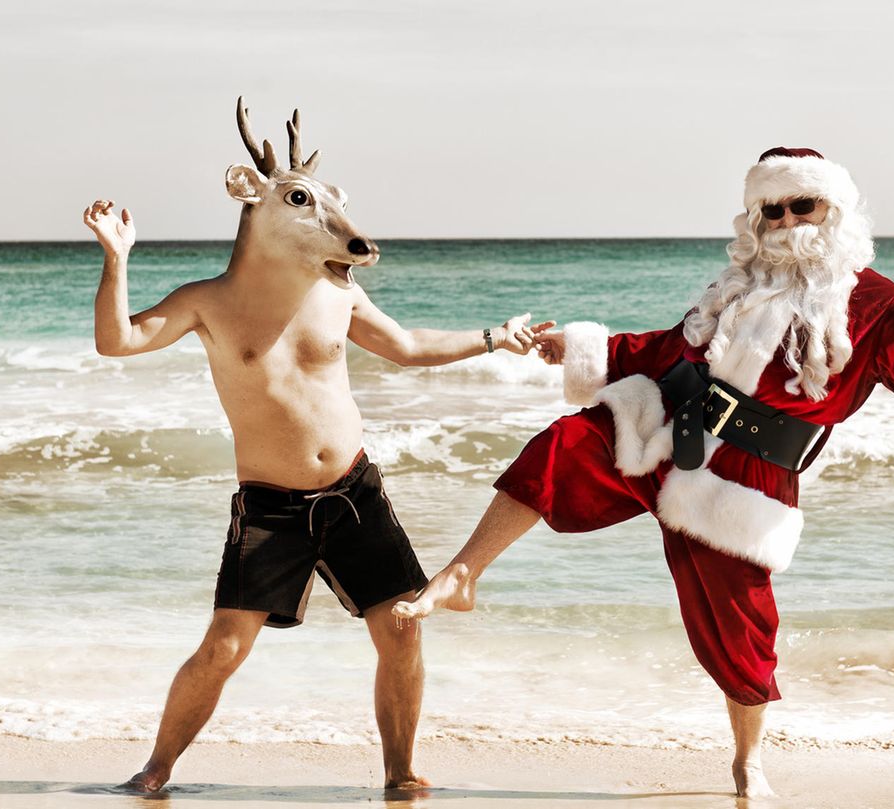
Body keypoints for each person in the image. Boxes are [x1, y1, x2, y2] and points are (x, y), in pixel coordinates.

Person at [392, 147, 894, 797]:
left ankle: (747, 760)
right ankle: (461, 573)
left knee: (740, 632)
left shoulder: (873, 301)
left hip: (745, 481)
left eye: (801, 205)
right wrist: (589, 347)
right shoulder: (738, 284)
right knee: (563, 446)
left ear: (832, 209)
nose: (786, 221)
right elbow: (668, 349)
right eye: (772, 209)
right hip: (668, 426)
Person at [83, 103, 552, 793]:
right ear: (251, 197)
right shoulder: (206, 301)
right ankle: (154, 771)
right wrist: (117, 259)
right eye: (304, 201)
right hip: (271, 507)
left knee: (402, 629)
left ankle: (401, 774)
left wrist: (493, 335)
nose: (329, 216)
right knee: (224, 647)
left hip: (354, 492)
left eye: (328, 202)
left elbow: (408, 347)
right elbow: (116, 340)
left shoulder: (338, 290)